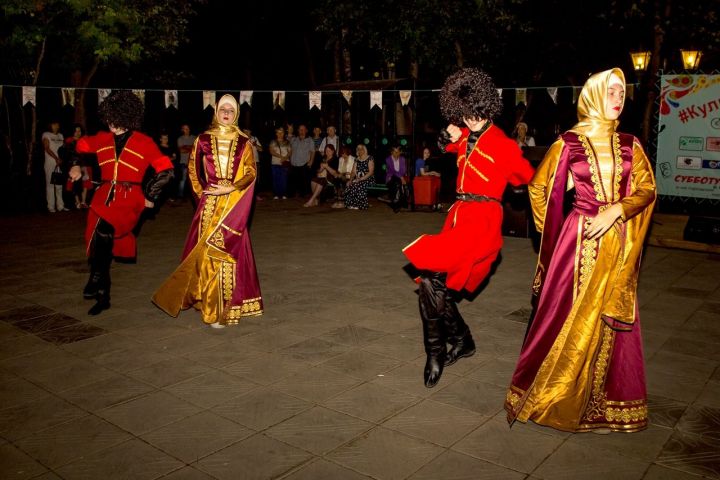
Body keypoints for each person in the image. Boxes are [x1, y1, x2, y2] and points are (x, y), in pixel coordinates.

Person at [505, 68, 656, 433]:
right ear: (594, 94)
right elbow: (538, 188)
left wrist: (619, 210)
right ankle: (557, 396)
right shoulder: (569, 143)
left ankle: (601, 402)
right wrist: (554, 234)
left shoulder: (630, 145)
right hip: (578, 244)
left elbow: (647, 188)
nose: (618, 98)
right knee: (567, 319)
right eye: (612, 91)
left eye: (622, 92)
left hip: (617, 246)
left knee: (607, 323)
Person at [402, 68, 535, 388]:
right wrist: (444, 137)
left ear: (487, 107)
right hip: (458, 216)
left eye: (476, 113)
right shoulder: (463, 135)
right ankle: (461, 341)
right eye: (465, 113)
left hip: (483, 222)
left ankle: (435, 352)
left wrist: (519, 190)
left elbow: (528, 176)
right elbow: (443, 147)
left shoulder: (503, 143)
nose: (471, 118)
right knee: (434, 285)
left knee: (431, 280)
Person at [152, 94, 263, 328]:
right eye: (222, 109)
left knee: (231, 255)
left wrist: (233, 187)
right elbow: (192, 170)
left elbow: (251, 172)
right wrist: (203, 193)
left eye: (231, 110)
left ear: (236, 115)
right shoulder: (203, 139)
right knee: (210, 254)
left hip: (234, 203)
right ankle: (213, 311)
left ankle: (230, 306)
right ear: (216, 112)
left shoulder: (244, 143)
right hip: (211, 204)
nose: (226, 113)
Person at [68, 90, 174, 315]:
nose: (112, 124)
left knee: (105, 230)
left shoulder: (144, 142)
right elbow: (77, 146)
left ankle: (96, 276)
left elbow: (166, 171)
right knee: (96, 240)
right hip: (103, 195)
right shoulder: (102, 138)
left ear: (127, 117)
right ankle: (103, 295)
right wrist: (76, 165)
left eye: (116, 120)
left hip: (130, 198)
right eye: (109, 119)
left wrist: (150, 195)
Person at [64, 124, 92, 209]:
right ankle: (77, 202)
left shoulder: (84, 140)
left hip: (84, 165)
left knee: (85, 184)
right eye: (76, 131)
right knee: (75, 183)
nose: (77, 133)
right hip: (74, 166)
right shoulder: (69, 141)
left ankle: (83, 202)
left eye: (79, 131)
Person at [42, 120, 68, 213]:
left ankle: (60, 206)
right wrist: (56, 158)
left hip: (60, 162)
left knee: (59, 184)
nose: (56, 126)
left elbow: (63, 148)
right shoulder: (46, 134)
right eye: (54, 124)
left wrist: (61, 159)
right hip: (50, 162)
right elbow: (47, 148)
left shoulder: (60, 136)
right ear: (50, 125)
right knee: (50, 184)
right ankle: (51, 207)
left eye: (57, 124)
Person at [343, 144, 375, 210]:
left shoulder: (370, 158)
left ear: (364, 150)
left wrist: (360, 179)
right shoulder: (356, 159)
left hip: (368, 178)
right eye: (358, 149)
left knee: (358, 185)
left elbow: (371, 172)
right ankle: (351, 203)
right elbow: (353, 172)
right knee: (350, 185)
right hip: (358, 178)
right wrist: (350, 180)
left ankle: (361, 204)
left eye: (361, 149)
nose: (360, 151)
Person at [288, 124, 315, 198]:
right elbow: (288, 147)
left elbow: (313, 151)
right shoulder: (293, 139)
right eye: (300, 129)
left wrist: (311, 161)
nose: (302, 131)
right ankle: (294, 195)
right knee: (294, 181)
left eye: (303, 129)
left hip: (304, 164)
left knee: (304, 182)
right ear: (298, 130)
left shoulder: (310, 140)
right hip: (294, 164)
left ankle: (304, 194)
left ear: (306, 130)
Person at [384, 145, 409, 212]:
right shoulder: (388, 159)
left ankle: (396, 203)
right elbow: (392, 171)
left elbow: (403, 171)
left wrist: (401, 177)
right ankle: (398, 204)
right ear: (391, 152)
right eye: (394, 152)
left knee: (397, 183)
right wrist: (401, 177)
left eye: (398, 152)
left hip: (399, 178)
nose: (396, 153)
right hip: (391, 177)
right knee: (396, 181)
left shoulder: (402, 159)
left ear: (400, 152)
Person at [269, 126, 291, 199]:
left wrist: (285, 158)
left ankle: (284, 194)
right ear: (276, 133)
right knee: (276, 179)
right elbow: (271, 151)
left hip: (285, 163)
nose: (280, 134)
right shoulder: (273, 142)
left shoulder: (287, 142)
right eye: (278, 132)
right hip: (275, 163)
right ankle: (276, 194)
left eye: (281, 132)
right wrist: (281, 156)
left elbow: (290, 152)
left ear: (284, 133)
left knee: (284, 178)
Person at [176, 124, 196, 200]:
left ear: (190, 129)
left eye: (187, 128)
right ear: (182, 130)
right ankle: (180, 195)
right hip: (183, 162)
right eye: (184, 128)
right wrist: (190, 147)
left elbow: (195, 150)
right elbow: (181, 150)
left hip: (193, 162)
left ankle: (193, 195)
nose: (186, 130)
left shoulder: (194, 138)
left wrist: (186, 147)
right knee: (183, 179)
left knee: (193, 179)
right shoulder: (180, 139)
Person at [243, 128, 264, 201]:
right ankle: (246, 196)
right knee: (246, 179)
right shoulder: (241, 138)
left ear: (250, 131)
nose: (246, 133)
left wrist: (255, 145)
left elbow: (261, 149)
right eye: (245, 131)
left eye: (248, 131)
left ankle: (255, 195)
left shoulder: (254, 139)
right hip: (245, 163)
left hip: (255, 161)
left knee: (256, 179)